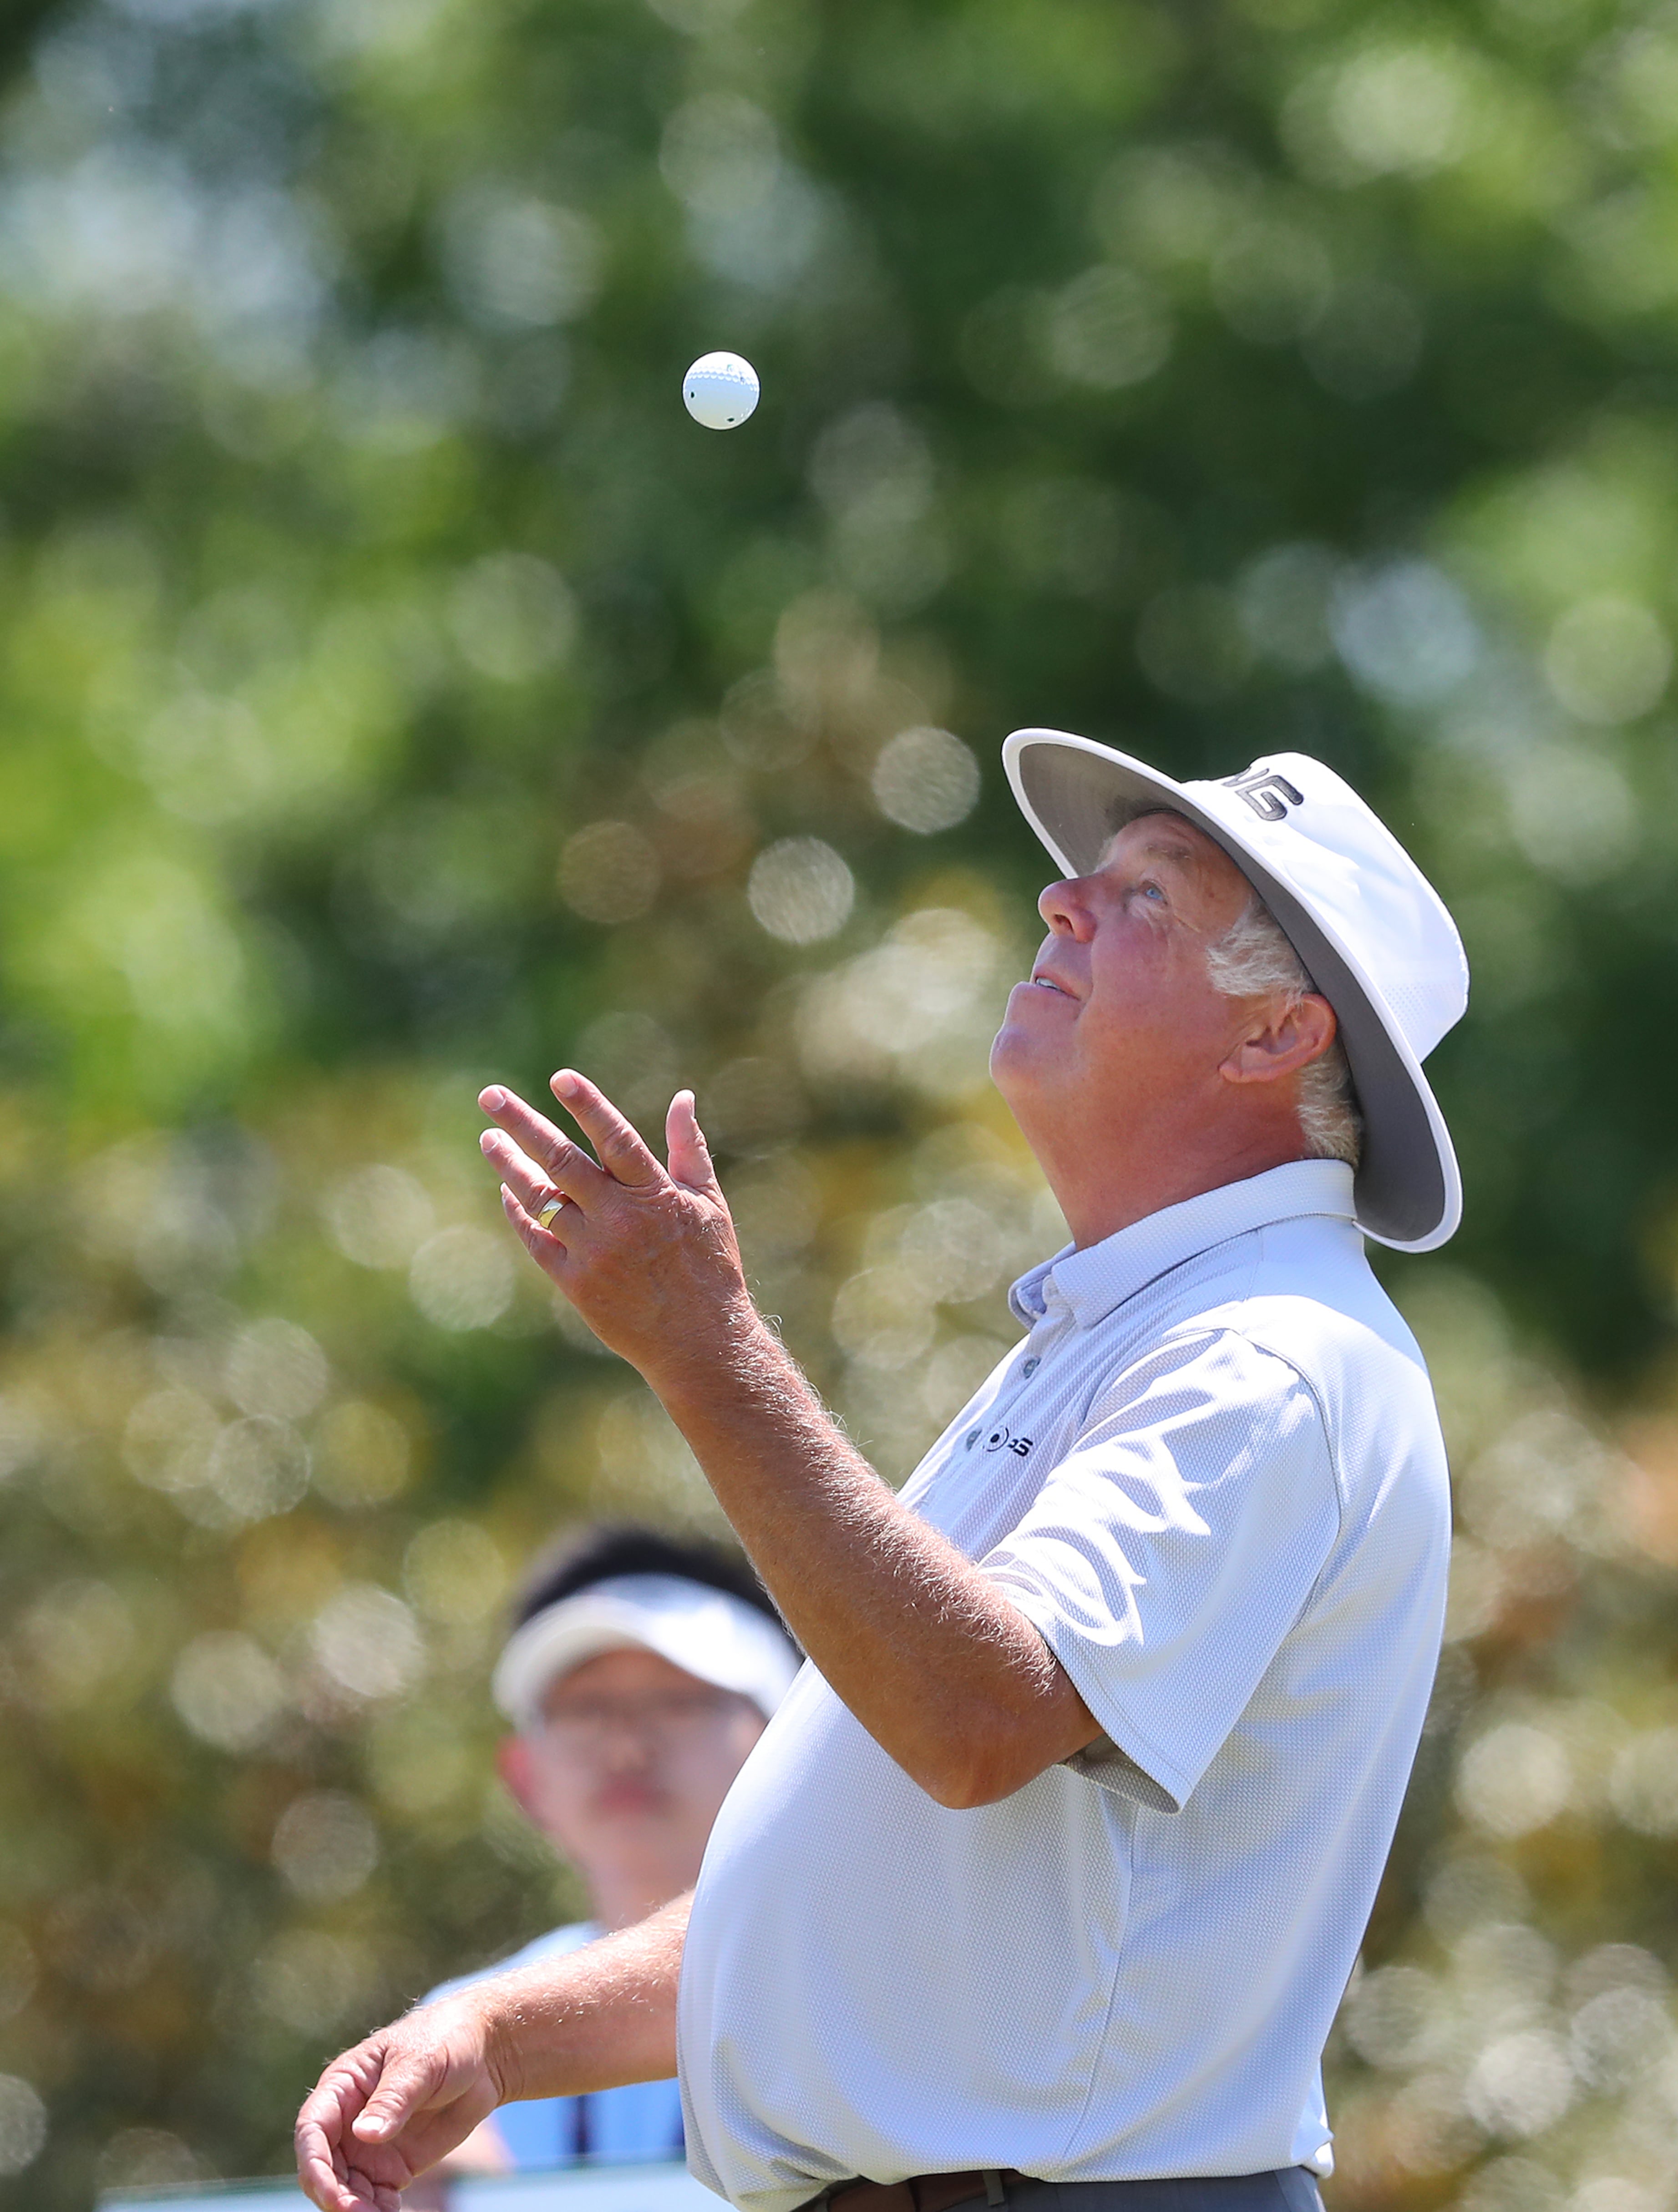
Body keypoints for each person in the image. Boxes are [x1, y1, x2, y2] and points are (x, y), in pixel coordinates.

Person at [297, 732, 1468, 2212]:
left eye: (1149, 898)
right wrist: (498, 2032)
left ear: (1274, 1038)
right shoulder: (1138, 1334)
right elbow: (863, 1903)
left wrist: (707, 1349)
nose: (1060, 907)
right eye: (1087, 883)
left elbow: (974, 1720)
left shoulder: (1265, 1353)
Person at [405, 1525, 797, 2204]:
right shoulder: (454, 2027)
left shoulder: (877, 1981)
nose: (624, 1749)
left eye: (680, 1702)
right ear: (523, 1780)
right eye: (584, 1709)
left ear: (791, 1742)